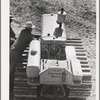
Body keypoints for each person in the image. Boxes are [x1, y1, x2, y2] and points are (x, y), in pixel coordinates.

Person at [10, 21, 35, 99]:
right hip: (16, 54)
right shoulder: (29, 36)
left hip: (12, 50)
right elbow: (33, 42)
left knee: (11, 69)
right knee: (12, 71)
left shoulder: (22, 32)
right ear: (30, 29)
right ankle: (10, 89)